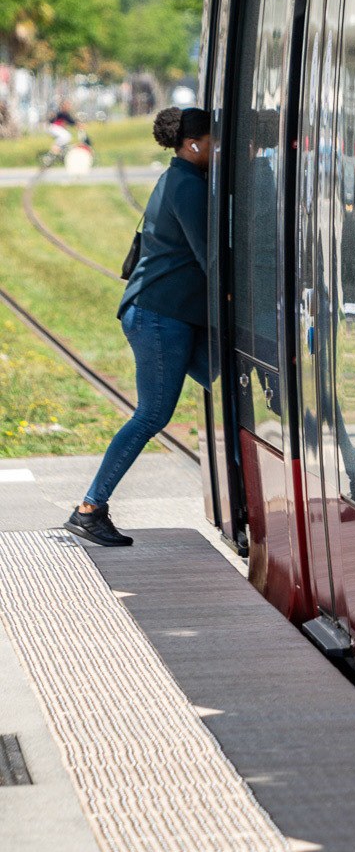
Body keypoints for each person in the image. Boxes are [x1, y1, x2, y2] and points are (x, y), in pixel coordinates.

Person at [65, 106, 212, 547]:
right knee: (151, 414)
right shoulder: (186, 185)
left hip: (163, 313)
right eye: (213, 141)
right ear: (193, 144)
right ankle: (90, 509)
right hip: (159, 315)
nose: (217, 148)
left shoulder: (180, 178)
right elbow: (212, 259)